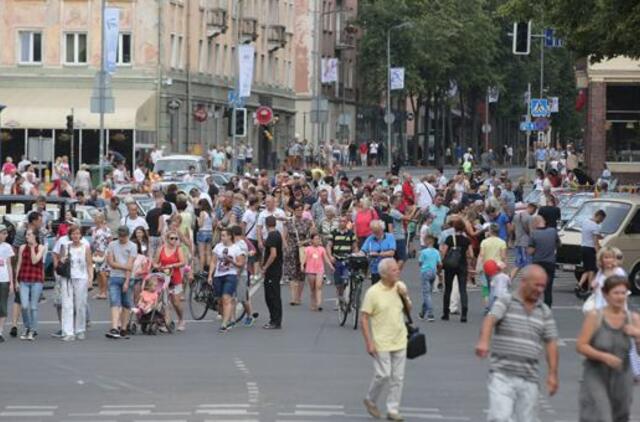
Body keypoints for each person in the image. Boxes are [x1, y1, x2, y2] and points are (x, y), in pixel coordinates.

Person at [475, 265, 559, 422]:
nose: (540, 290)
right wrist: (484, 341)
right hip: (502, 374)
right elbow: (490, 319)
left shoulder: (544, 311)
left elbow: (551, 342)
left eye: (543, 286)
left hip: (529, 377)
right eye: (536, 285)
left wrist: (553, 374)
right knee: (500, 417)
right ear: (524, 282)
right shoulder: (507, 301)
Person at [576, 275, 640, 422]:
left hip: (622, 376)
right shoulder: (595, 317)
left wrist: (637, 336)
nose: (620, 297)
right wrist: (604, 357)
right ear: (606, 294)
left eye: (623, 293)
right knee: (601, 415)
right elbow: (581, 346)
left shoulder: (633, 318)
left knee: (620, 416)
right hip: (596, 374)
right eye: (616, 293)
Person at [360, 258, 410, 422]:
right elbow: (364, 318)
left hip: (400, 338)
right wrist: (369, 342)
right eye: (394, 270)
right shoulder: (373, 292)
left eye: (397, 269)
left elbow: (408, 310)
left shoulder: (400, 287)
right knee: (383, 375)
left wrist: (404, 296)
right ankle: (370, 399)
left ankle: (393, 409)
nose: (398, 272)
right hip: (381, 340)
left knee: (398, 377)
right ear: (384, 274)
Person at [207, 228, 245, 333]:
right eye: (221, 236)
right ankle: (226, 318)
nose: (221, 237)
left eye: (224, 235)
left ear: (229, 236)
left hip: (231, 275)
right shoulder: (218, 247)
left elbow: (241, 263)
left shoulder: (236, 248)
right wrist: (210, 275)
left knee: (226, 298)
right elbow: (213, 262)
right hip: (218, 275)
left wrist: (231, 261)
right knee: (219, 301)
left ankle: (224, 324)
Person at [60, 225, 93, 341]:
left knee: (81, 304)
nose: (75, 236)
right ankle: (68, 331)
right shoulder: (65, 246)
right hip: (68, 277)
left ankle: (80, 329)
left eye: (77, 233)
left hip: (81, 277)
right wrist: (62, 260)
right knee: (67, 305)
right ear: (70, 235)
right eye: (73, 233)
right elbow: (61, 261)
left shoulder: (86, 247)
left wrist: (90, 279)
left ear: (81, 235)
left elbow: (89, 264)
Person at [105, 226, 137, 339]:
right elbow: (110, 262)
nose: (121, 238)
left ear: (128, 235)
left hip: (127, 277)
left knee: (126, 303)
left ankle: (124, 327)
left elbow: (130, 265)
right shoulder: (112, 244)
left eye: (124, 236)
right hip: (114, 276)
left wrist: (127, 281)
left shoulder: (133, 246)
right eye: (120, 236)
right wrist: (124, 266)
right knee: (114, 302)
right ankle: (114, 327)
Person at [15, 228, 47, 340]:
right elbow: (19, 264)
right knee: (24, 306)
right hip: (24, 279)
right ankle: (27, 327)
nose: (26, 237)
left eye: (29, 235)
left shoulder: (41, 247)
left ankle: (33, 330)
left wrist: (33, 247)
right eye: (26, 235)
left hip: (36, 280)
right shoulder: (22, 248)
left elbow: (34, 261)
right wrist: (16, 281)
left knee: (33, 307)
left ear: (35, 236)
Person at [440, 218, 474, 322]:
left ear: (454, 228)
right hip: (462, 265)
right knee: (462, 289)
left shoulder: (450, 238)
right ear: (463, 229)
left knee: (448, 289)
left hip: (450, 266)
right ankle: (464, 314)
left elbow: (444, 252)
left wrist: (442, 261)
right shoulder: (466, 240)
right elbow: (471, 255)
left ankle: (446, 313)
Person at [155, 230, 186, 332]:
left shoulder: (178, 249)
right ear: (167, 239)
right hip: (163, 277)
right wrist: (159, 267)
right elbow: (155, 263)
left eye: (176, 238)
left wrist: (172, 265)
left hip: (174, 278)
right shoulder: (161, 249)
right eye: (172, 238)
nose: (174, 240)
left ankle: (181, 319)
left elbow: (183, 262)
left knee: (176, 302)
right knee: (163, 301)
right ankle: (164, 321)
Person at [326, 215, 358, 308]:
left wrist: (355, 255)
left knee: (346, 279)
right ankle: (339, 299)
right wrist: (330, 256)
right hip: (337, 259)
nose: (342, 223)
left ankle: (347, 300)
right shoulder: (334, 233)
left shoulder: (351, 234)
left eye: (344, 221)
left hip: (347, 260)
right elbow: (329, 245)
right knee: (338, 282)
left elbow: (354, 246)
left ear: (347, 222)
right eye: (340, 221)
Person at [528, 215, 559, 308]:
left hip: (538, 263)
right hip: (550, 262)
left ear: (535, 223)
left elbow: (530, 251)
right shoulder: (553, 231)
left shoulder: (534, 233)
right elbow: (558, 244)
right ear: (544, 221)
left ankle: (534, 304)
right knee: (548, 288)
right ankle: (547, 307)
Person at [261, 216, 283, 329]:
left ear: (266, 225)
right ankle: (275, 319)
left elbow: (273, 254)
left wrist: (265, 267)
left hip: (273, 270)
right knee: (273, 295)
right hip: (277, 268)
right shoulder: (277, 234)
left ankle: (275, 320)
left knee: (271, 296)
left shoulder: (272, 236)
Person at [302, 233, 334, 311]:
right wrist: (302, 265)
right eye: (316, 239)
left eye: (318, 239)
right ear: (312, 240)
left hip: (319, 270)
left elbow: (326, 258)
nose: (317, 240)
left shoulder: (322, 249)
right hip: (310, 270)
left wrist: (331, 266)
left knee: (318, 287)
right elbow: (304, 258)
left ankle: (319, 304)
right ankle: (313, 303)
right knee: (312, 288)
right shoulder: (308, 249)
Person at [360, 220, 396, 284]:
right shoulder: (370, 238)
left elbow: (391, 253)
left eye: (377, 231)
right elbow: (363, 250)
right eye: (373, 231)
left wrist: (378, 254)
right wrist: (359, 254)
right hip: (375, 268)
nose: (375, 233)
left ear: (382, 229)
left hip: (387, 268)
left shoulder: (389, 237)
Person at [578, 209, 606, 291]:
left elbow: (591, 234)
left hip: (583, 247)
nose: (601, 222)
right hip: (590, 249)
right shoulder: (595, 226)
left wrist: (600, 236)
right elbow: (595, 242)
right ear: (599, 216)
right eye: (601, 220)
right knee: (592, 270)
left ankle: (579, 285)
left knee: (587, 269)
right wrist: (598, 253)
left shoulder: (585, 222)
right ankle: (590, 289)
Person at [418, 234, 440, 321]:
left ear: (427, 242)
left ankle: (430, 314)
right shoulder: (436, 252)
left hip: (425, 272)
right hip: (433, 272)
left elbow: (420, 262)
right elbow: (439, 263)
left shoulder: (424, 252)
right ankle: (423, 312)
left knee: (426, 294)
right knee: (428, 293)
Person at [511, 203, 536, 279]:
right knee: (528, 263)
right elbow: (532, 233)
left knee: (518, 264)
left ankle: (510, 279)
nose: (534, 213)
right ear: (531, 208)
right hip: (526, 243)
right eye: (534, 211)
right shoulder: (529, 218)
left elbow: (512, 228)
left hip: (517, 242)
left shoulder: (516, 216)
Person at [0, 225, 14, 343]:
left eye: (6, 233)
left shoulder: (7, 247)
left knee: (2, 306)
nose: (5, 235)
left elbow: (9, 265)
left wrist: (11, 283)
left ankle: (0, 331)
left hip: (3, 279)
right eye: (3, 233)